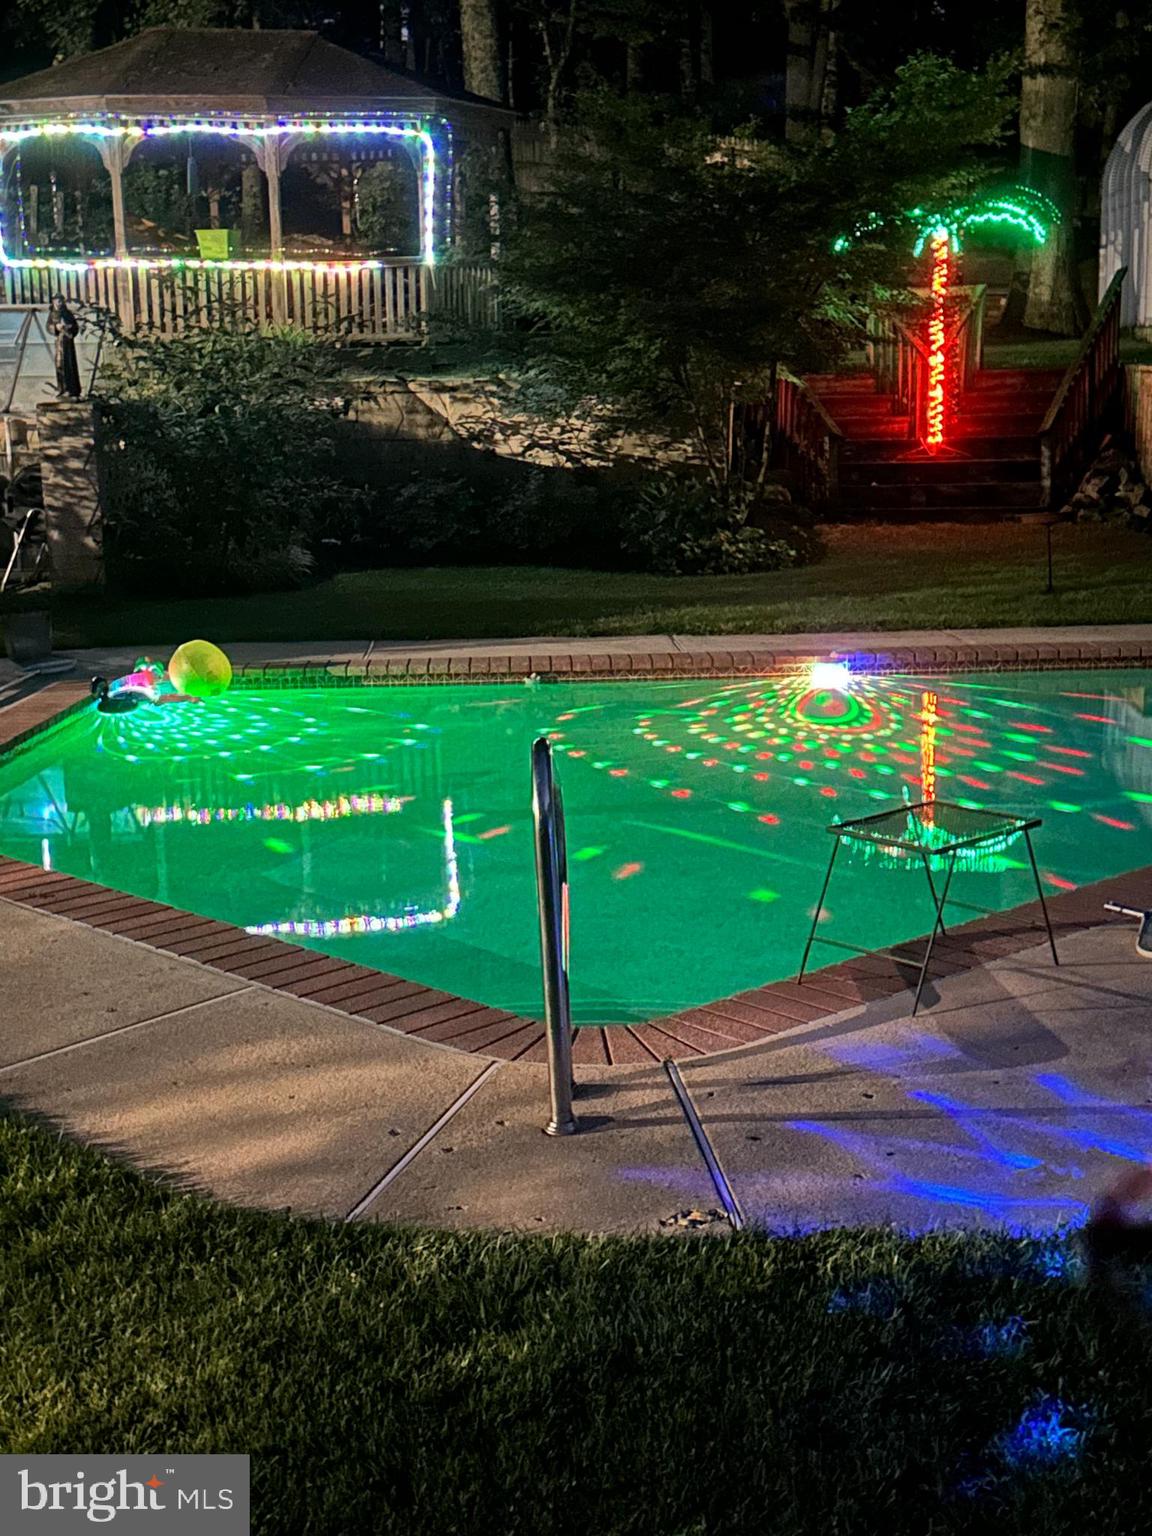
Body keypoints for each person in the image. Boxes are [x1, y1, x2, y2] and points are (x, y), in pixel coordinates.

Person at [48, 295, 81, 399]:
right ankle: (62, 388)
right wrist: (56, 327)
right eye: (57, 301)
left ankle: (72, 389)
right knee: (59, 365)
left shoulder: (68, 314)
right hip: (59, 343)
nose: (59, 303)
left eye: (61, 301)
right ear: (53, 302)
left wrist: (69, 328)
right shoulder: (52, 314)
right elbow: (48, 326)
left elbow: (75, 327)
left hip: (68, 343)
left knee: (69, 365)